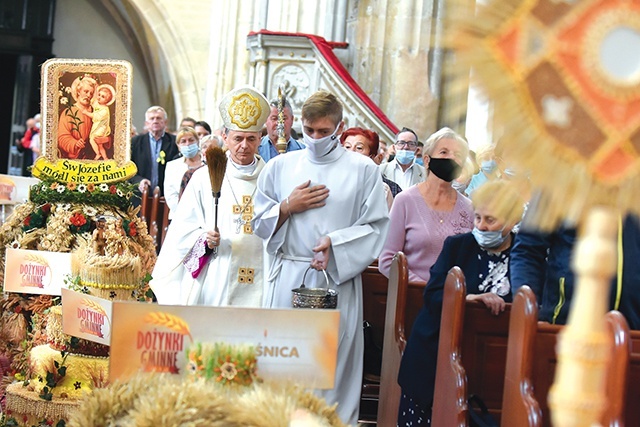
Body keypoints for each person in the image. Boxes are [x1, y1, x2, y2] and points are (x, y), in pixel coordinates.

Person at [252, 90, 390, 425]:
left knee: (332, 372)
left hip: (337, 282)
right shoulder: (280, 166)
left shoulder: (362, 171)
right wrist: (287, 207)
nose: (315, 138)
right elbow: (258, 222)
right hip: (289, 278)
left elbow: (375, 227)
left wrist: (336, 244)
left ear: (340, 127)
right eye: (309, 130)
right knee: (283, 366)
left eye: (324, 132)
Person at [396, 180, 524, 426]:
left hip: (491, 360)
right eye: (477, 218)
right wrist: (467, 298)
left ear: (511, 221)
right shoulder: (458, 245)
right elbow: (433, 294)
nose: (481, 226)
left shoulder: (523, 253)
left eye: (491, 220)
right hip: (436, 355)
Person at [151, 86, 270, 307]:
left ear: (260, 138)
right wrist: (204, 239)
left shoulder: (270, 179)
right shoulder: (203, 179)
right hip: (218, 272)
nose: (244, 146)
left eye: (251, 139)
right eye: (238, 138)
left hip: (262, 274)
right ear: (224, 136)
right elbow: (182, 231)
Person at [510, 207, 640, 329]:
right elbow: (528, 250)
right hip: (564, 323)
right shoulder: (558, 186)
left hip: (632, 328)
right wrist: (530, 311)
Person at [378, 127, 473, 283]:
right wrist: (426, 287)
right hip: (412, 296)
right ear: (427, 160)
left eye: (458, 155)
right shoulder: (405, 201)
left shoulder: (468, 208)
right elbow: (388, 260)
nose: (451, 159)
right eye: (444, 152)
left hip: (453, 299)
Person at [340, 126, 401, 209]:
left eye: (359, 148)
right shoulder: (330, 181)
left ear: (372, 156)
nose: (351, 151)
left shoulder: (384, 190)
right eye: (347, 147)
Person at [130, 106, 179, 196]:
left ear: (165, 122)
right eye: (152, 118)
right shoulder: (135, 142)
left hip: (166, 195)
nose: (155, 121)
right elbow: (129, 168)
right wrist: (139, 181)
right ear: (146, 123)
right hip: (140, 195)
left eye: (159, 118)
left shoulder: (174, 142)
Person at [164, 127, 205, 219]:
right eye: (183, 141)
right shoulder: (172, 166)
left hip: (205, 215)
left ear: (197, 141)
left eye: (191, 140)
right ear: (178, 145)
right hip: (180, 215)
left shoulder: (208, 163)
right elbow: (170, 194)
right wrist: (184, 212)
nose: (188, 144)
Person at [58, 75, 97, 159]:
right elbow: (62, 137)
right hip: (74, 158)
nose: (88, 95)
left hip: (92, 156)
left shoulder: (96, 112)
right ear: (78, 91)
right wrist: (75, 143)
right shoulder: (68, 113)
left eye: (91, 93)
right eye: (85, 91)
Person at [258, 98, 305, 162]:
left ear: (292, 119)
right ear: (266, 120)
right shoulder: (255, 148)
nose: (279, 123)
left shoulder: (303, 151)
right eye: (274, 118)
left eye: (284, 118)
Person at [85, 84, 115, 160]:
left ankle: (98, 153)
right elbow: (93, 101)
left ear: (107, 100)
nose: (99, 97)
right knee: (100, 145)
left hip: (101, 128)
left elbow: (96, 116)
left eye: (103, 96)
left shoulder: (105, 110)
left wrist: (86, 113)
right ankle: (105, 158)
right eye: (99, 95)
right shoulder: (97, 103)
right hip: (97, 126)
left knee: (92, 139)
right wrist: (95, 87)